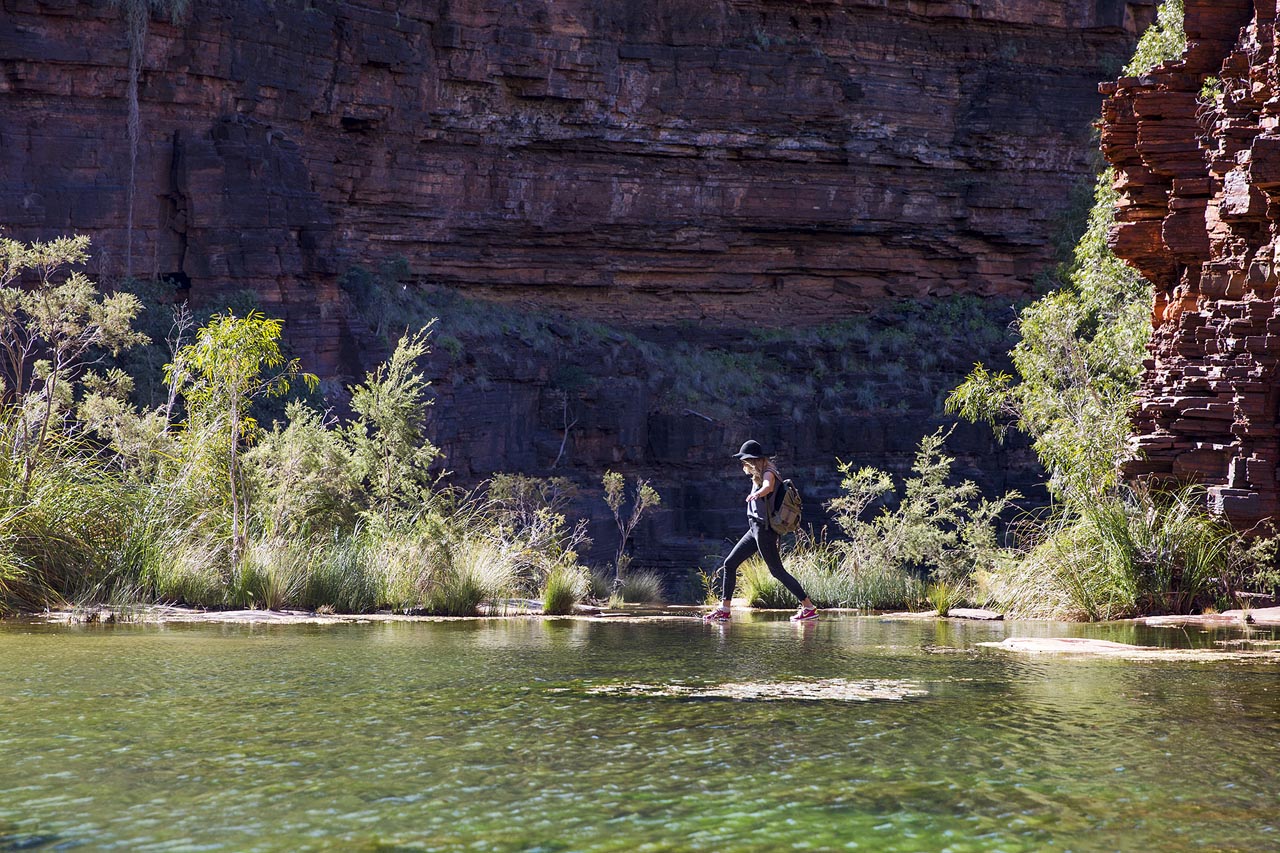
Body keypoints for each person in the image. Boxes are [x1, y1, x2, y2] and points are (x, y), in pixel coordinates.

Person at [704, 440, 818, 622]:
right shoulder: (760, 473)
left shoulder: (769, 472)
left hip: (764, 530)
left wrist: (757, 493)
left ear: (753, 460)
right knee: (730, 563)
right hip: (755, 528)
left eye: (745, 461)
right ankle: (724, 610)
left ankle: (808, 607)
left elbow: (768, 486)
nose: (743, 464)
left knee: (777, 571)